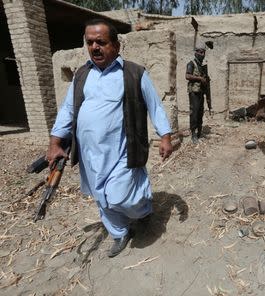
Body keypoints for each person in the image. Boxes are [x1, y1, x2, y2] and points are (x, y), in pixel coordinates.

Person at [47, 19, 173, 258]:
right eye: (90, 42)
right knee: (101, 198)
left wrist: (165, 137)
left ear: (116, 45)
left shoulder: (134, 73)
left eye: (101, 42)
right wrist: (55, 142)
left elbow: (155, 107)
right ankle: (119, 233)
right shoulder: (82, 75)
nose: (95, 47)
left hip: (123, 150)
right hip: (90, 153)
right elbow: (67, 110)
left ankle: (143, 210)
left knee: (120, 195)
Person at [185, 46, 211, 144]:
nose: (203, 55)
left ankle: (199, 132)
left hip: (201, 92)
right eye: (200, 52)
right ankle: (193, 134)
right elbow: (187, 76)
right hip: (194, 93)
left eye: (204, 52)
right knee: (194, 113)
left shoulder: (202, 66)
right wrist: (200, 79)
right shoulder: (191, 63)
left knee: (200, 112)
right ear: (196, 53)